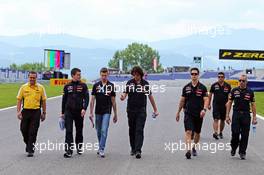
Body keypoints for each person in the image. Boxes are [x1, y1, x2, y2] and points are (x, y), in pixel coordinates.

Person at [120, 66, 159, 159]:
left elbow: (150, 97)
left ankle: (138, 150)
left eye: (137, 75)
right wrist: (123, 97)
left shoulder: (145, 84)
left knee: (139, 129)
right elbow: (125, 93)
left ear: (140, 75)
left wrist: (155, 109)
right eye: (134, 75)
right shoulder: (129, 83)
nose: (135, 77)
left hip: (141, 110)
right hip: (131, 110)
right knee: (132, 129)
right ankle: (133, 148)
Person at [176, 67, 208, 159]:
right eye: (192, 74)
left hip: (199, 114)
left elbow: (206, 100)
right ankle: (188, 150)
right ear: (190, 75)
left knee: (197, 133)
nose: (194, 76)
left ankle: (194, 147)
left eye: (195, 74)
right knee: (188, 132)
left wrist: (204, 110)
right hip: (188, 113)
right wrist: (178, 112)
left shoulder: (203, 88)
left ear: (198, 75)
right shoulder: (186, 87)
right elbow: (182, 101)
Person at [226, 74, 257, 160]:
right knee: (235, 133)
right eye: (240, 80)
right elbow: (229, 103)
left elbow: (253, 105)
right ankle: (233, 147)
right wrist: (227, 115)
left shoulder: (250, 92)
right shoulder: (234, 90)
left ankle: (242, 152)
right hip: (236, 114)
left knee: (245, 135)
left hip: (246, 115)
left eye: (243, 81)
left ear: (246, 82)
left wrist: (254, 117)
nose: (241, 82)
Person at [17, 71, 47, 157]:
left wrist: (44, 112)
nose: (32, 79)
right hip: (25, 111)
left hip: (36, 112)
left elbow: (44, 101)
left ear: (36, 78)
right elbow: (19, 100)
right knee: (23, 129)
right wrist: (18, 111)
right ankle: (28, 144)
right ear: (28, 77)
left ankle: (31, 149)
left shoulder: (41, 88)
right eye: (31, 77)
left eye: (34, 78)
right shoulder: (23, 87)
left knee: (33, 131)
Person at [89, 67, 117, 158]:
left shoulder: (111, 85)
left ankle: (101, 149)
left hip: (107, 111)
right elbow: (92, 100)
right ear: (100, 75)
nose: (104, 77)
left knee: (104, 130)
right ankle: (100, 145)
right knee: (98, 131)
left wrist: (115, 114)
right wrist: (91, 112)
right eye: (102, 75)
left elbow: (113, 101)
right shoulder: (96, 85)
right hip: (98, 111)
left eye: (105, 75)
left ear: (108, 75)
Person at [61, 68, 89, 158]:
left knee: (79, 130)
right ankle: (69, 150)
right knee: (68, 131)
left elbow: (87, 98)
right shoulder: (67, 86)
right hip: (68, 111)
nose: (79, 76)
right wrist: (62, 113)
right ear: (72, 75)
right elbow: (64, 100)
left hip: (79, 111)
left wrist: (84, 108)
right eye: (78, 75)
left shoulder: (83, 85)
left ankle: (79, 147)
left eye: (80, 75)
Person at [208, 72, 231, 140]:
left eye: (222, 77)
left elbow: (230, 96)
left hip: (224, 105)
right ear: (217, 77)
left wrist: (229, 103)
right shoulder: (214, 85)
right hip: (216, 105)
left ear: (224, 78)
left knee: (222, 120)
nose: (220, 78)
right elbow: (210, 95)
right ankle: (215, 133)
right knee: (216, 119)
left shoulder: (228, 86)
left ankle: (220, 132)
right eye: (219, 77)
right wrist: (209, 104)